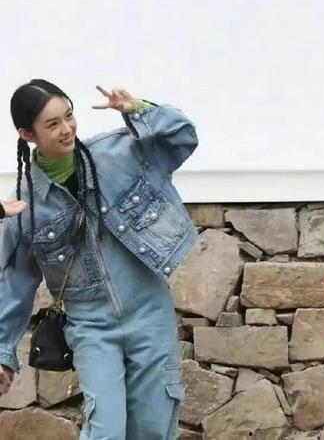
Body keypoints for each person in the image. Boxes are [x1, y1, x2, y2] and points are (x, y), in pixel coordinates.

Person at [0, 80, 198, 439]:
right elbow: (15, 286)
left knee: (152, 429)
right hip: (91, 328)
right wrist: (3, 354)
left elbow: (183, 138)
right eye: (53, 124)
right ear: (27, 134)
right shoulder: (24, 206)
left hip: (149, 314)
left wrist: (140, 110)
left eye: (69, 115)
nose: (67, 129)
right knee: (106, 430)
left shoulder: (119, 151)